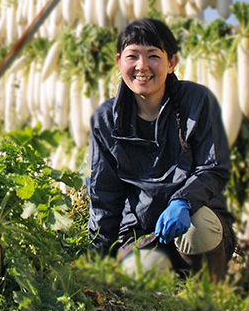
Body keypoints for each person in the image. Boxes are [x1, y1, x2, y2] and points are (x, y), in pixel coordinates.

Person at [86, 17, 235, 279]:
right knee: (138, 274)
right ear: (119, 61)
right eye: (133, 56)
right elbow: (104, 196)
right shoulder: (106, 120)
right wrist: (97, 261)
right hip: (142, 232)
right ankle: (168, 292)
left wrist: (183, 201)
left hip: (195, 219)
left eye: (153, 56)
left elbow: (213, 168)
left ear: (171, 62)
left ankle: (207, 293)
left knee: (198, 228)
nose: (142, 66)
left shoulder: (197, 102)